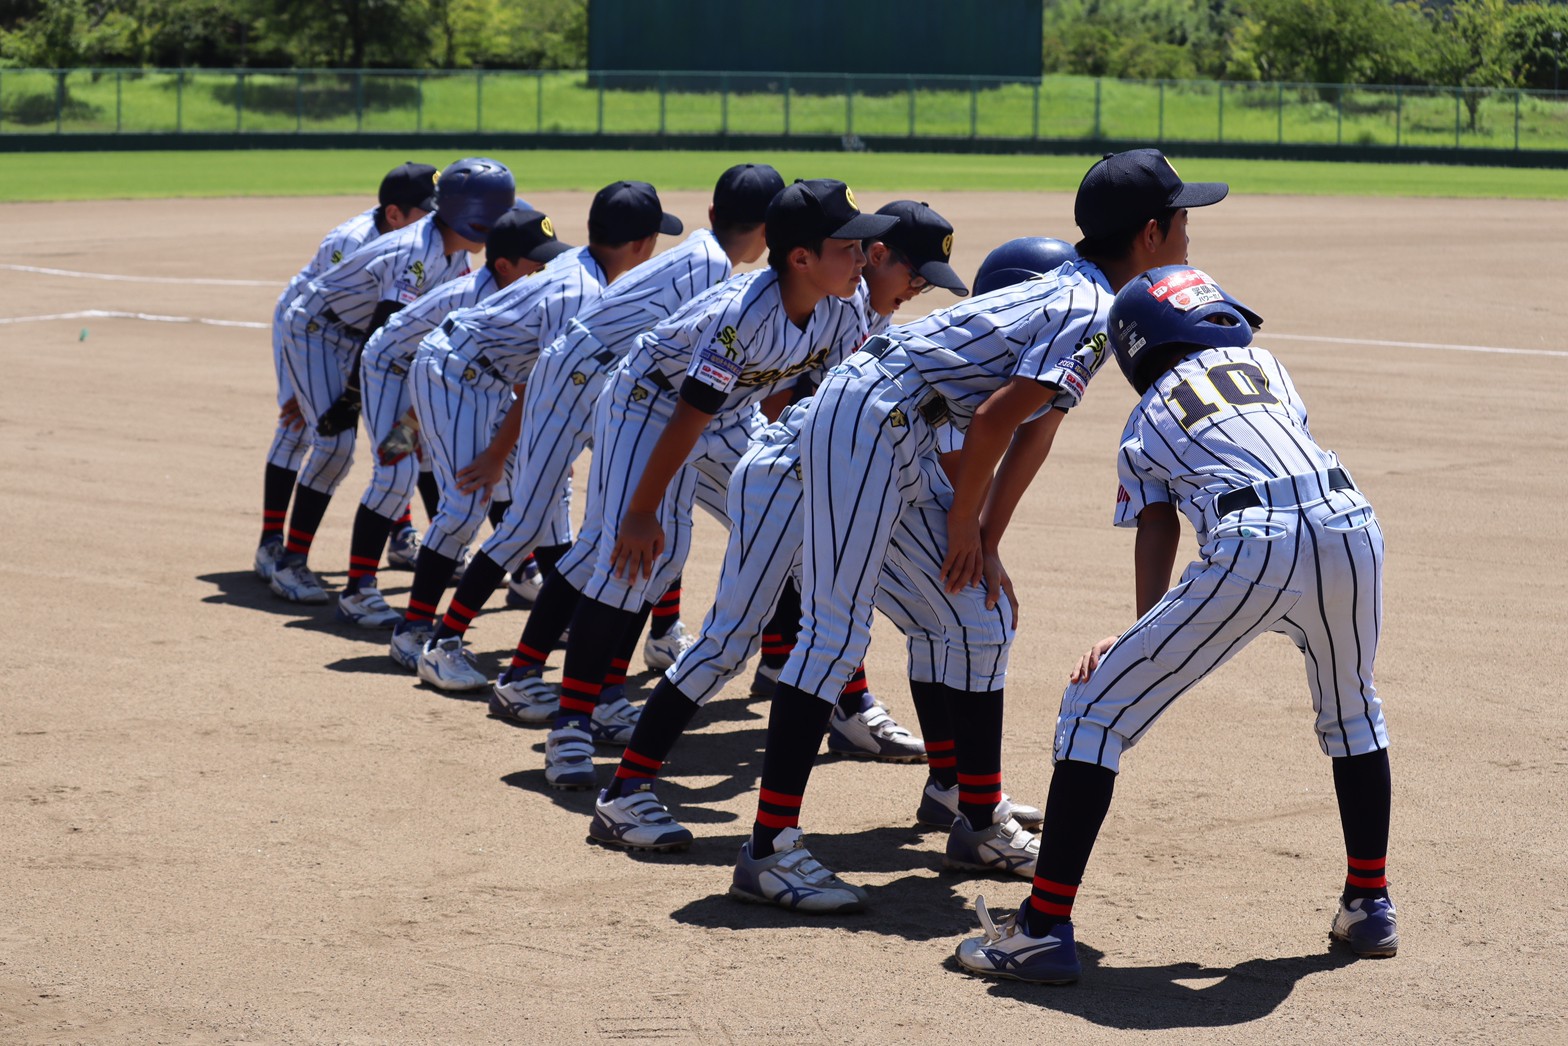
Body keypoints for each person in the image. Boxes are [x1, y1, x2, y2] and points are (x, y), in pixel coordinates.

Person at [726, 149, 1230, 914]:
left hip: (896, 424)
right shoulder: (1092, 307)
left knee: (977, 612)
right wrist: (966, 523)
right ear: (1154, 232)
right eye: (1185, 220)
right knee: (832, 632)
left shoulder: (1088, 292)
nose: (1191, 237)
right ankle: (769, 850)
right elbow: (996, 417)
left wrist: (986, 539)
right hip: (868, 415)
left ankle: (977, 817)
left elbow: (1033, 427)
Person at [953, 264, 1396, 983]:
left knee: (1092, 709)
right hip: (1353, 523)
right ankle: (1369, 901)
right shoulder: (1267, 366)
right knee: (1353, 711)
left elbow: (1156, 526)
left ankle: (1040, 930)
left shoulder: (1146, 416)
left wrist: (1139, 637)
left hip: (1253, 540)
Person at [590, 239, 1100, 857]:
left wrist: (981, 542)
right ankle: (625, 793)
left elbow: (955, 463)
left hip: (870, 475)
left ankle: (954, 789)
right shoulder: (979, 354)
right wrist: (972, 533)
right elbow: (953, 457)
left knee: (950, 613)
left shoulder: (990, 359)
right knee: (733, 639)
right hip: (791, 477)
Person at [505, 178, 896, 789]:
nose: (863, 259)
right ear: (801, 257)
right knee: (631, 559)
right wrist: (638, 513)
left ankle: (785, 674)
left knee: (720, 541)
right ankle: (570, 728)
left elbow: (817, 396)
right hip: (649, 404)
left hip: (729, 411)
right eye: (849, 247)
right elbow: (687, 417)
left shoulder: (842, 306)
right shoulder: (741, 317)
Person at [411, 163, 785, 693]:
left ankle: (651, 635)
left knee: (653, 521)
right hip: (576, 377)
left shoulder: (708, 255)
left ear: (713, 214)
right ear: (771, 229)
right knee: (528, 522)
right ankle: (443, 644)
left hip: (601, 377)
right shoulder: (708, 265)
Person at [386, 181, 682, 670]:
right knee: (466, 504)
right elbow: (543, 382)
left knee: (545, 505)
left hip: (489, 375)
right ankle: (415, 629)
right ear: (642, 245)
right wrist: (504, 451)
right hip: (458, 374)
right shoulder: (582, 291)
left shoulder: (587, 272)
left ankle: (544, 601)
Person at [267, 157, 516, 604]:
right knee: (334, 445)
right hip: (320, 333)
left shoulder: (456, 249)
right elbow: (383, 333)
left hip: (382, 350)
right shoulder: (415, 252)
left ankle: (395, 544)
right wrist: (348, 398)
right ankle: (290, 563)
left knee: (404, 448)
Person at [334, 206, 571, 628]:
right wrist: (411, 426)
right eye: (538, 265)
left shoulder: (519, 294)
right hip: (393, 366)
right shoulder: (479, 301)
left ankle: (523, 571)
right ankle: (358, 589)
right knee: (395, 471)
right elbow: (431, 368)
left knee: (501, 471)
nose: (547, 273)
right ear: (504, 266)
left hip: (459, 377)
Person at [256, 161, 435, 582]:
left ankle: (402, 533)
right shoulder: (353, 241)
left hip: (369, 334)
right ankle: (270, 545)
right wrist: (311, 387)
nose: (438, 220)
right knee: (302, 426)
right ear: (395, 215)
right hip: (312, 329)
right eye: (427, 210)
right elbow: (326, 305)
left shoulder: (428, 246)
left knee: (400, 431)